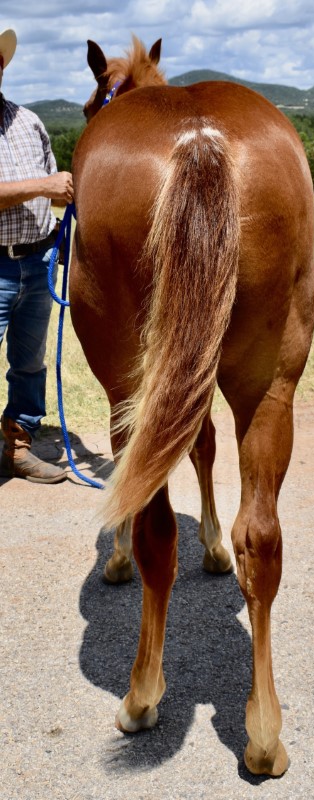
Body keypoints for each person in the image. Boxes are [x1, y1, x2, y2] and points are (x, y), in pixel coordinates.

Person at [0, 28, 74, 483]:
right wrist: (46, 186)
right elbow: (47, 184)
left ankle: (18, 445)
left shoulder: (30, 121)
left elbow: (57, 191)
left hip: (38, 259)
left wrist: (61, 235)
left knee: (29, 361)